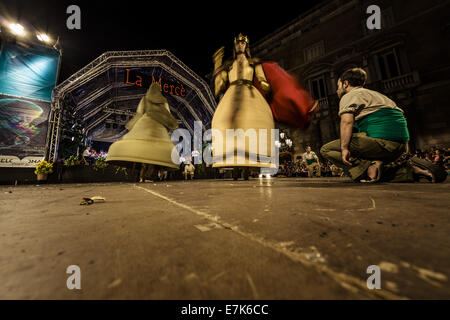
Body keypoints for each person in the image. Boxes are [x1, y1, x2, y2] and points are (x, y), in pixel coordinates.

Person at [211, 33, 318, 180]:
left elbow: (263, 81)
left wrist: (267, 86)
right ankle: (236, 166)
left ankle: (247, 167)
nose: (240, 45)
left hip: (250, 94)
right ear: (235, 46)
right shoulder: (229, 67)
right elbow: (218, 88)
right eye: (238, 43)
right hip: (231, 95)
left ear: (246, 46)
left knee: (251, 126)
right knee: (226, 124)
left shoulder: (255, 64)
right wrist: (217, 65)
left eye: (243, 43)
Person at [320, 68, 446, 183]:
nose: (337, 90)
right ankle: (412, 172)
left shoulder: (349, 95)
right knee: (362, 137)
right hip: (402, 145)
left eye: (338, 86)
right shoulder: (377, 95)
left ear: (345, 83)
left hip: (382, 142)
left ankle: (370, 168)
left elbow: (347, 122)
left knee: (326, 150)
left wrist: (344, 148)